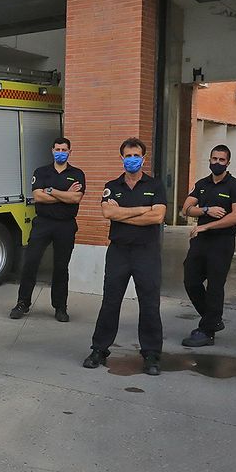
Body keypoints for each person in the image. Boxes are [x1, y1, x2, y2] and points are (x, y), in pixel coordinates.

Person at [84, 138, 166, 375]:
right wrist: (143, 209)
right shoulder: (112, 185)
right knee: (110, 302)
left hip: (146, 252)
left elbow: (157, 217)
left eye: (136, 155)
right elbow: (107, 212)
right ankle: (99, 349)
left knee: (150, 304)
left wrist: (122, 213)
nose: (132, 159)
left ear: (144, 157)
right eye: (127, 155)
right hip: (119, 251)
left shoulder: (156, 185)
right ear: (121, 158)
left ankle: (151, 354)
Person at [179, 145, 236, 347]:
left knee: (215, 287)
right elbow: (186, 209)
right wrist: (206, 210)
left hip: (222, 242)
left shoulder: (235, 186)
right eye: (214, 159)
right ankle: (213, 319)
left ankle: (207, 331)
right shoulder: (202, 184)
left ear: (228, 162)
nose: (217, 163)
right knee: (191, 280)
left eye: (221, 160)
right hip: (200, 241)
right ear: (209, 160)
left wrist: (207, 225)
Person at [11, 136, 85, 322]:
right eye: (57, 150)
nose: (60, 153)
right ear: (52, 151)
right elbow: (38, 197)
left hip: (66, 225)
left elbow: (75, 199)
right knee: (30, 262)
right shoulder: (41, 171)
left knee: (61, 267)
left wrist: (51, 190)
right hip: (43, 223)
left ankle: (60, 307)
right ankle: (23, 303)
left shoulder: (77, 174)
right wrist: (65, 194)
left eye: (64, 150)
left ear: (70, 152)